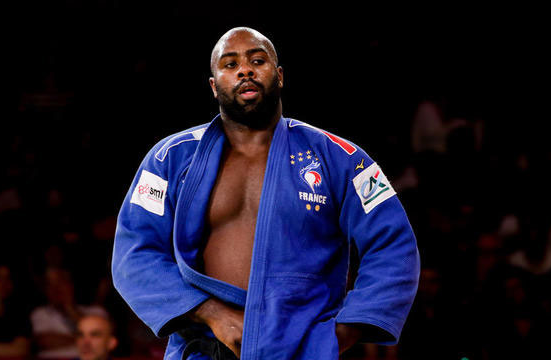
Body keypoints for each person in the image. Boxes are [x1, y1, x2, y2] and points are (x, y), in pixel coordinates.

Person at [112, 27, 420, 360]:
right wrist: (211, 313)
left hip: (301, 345)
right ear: (214, 87)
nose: (245, 70)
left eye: (257, 60)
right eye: (230, 65)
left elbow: (394, 245)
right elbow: (134, 252)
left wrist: (345, 330)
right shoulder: (168, 157)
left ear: (280, 76)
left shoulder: (341, 157)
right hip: (202, 345)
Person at [31, 267, 108, 359]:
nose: (56, 289)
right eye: (50, 285)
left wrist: (70, 309)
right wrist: (89, 339)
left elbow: (105, 340)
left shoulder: (96, 311)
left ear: (71, 285)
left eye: (61, 282)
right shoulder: (40, 313)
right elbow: (44, 342)